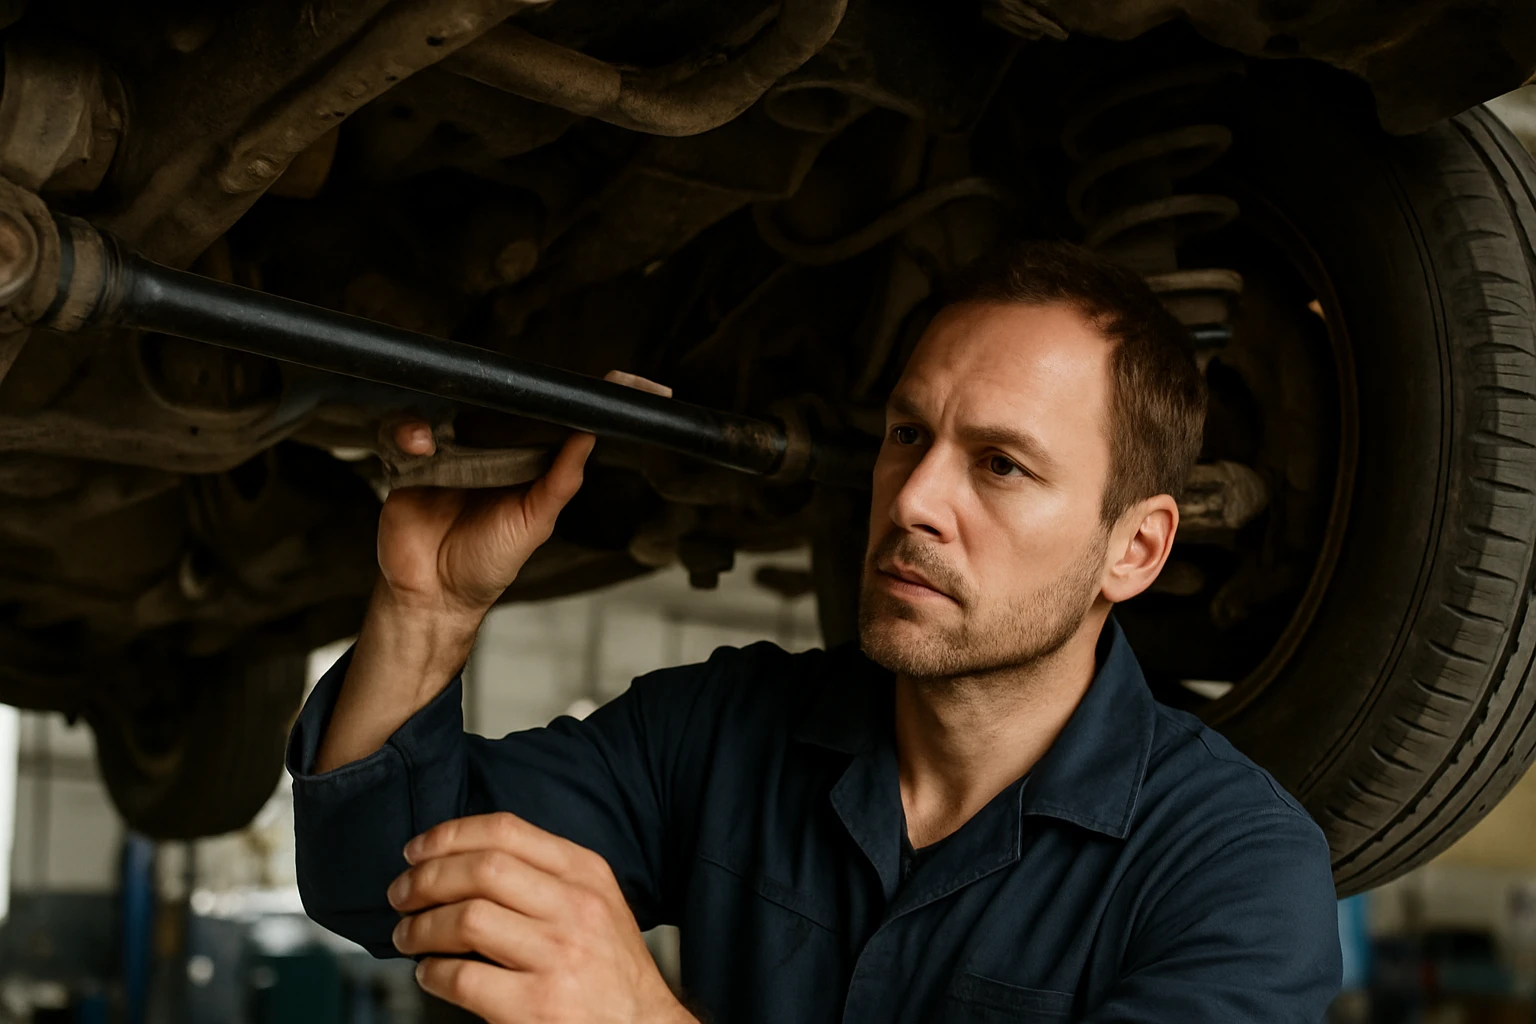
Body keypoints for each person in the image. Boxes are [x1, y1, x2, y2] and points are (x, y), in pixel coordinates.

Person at [288, 241, 1342, 1023]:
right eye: (906, 433)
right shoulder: (722, 730)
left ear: (1137, 550)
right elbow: (382, 884)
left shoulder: (1232, 870)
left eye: (1000, 464)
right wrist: (429, 611)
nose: (915, 496)